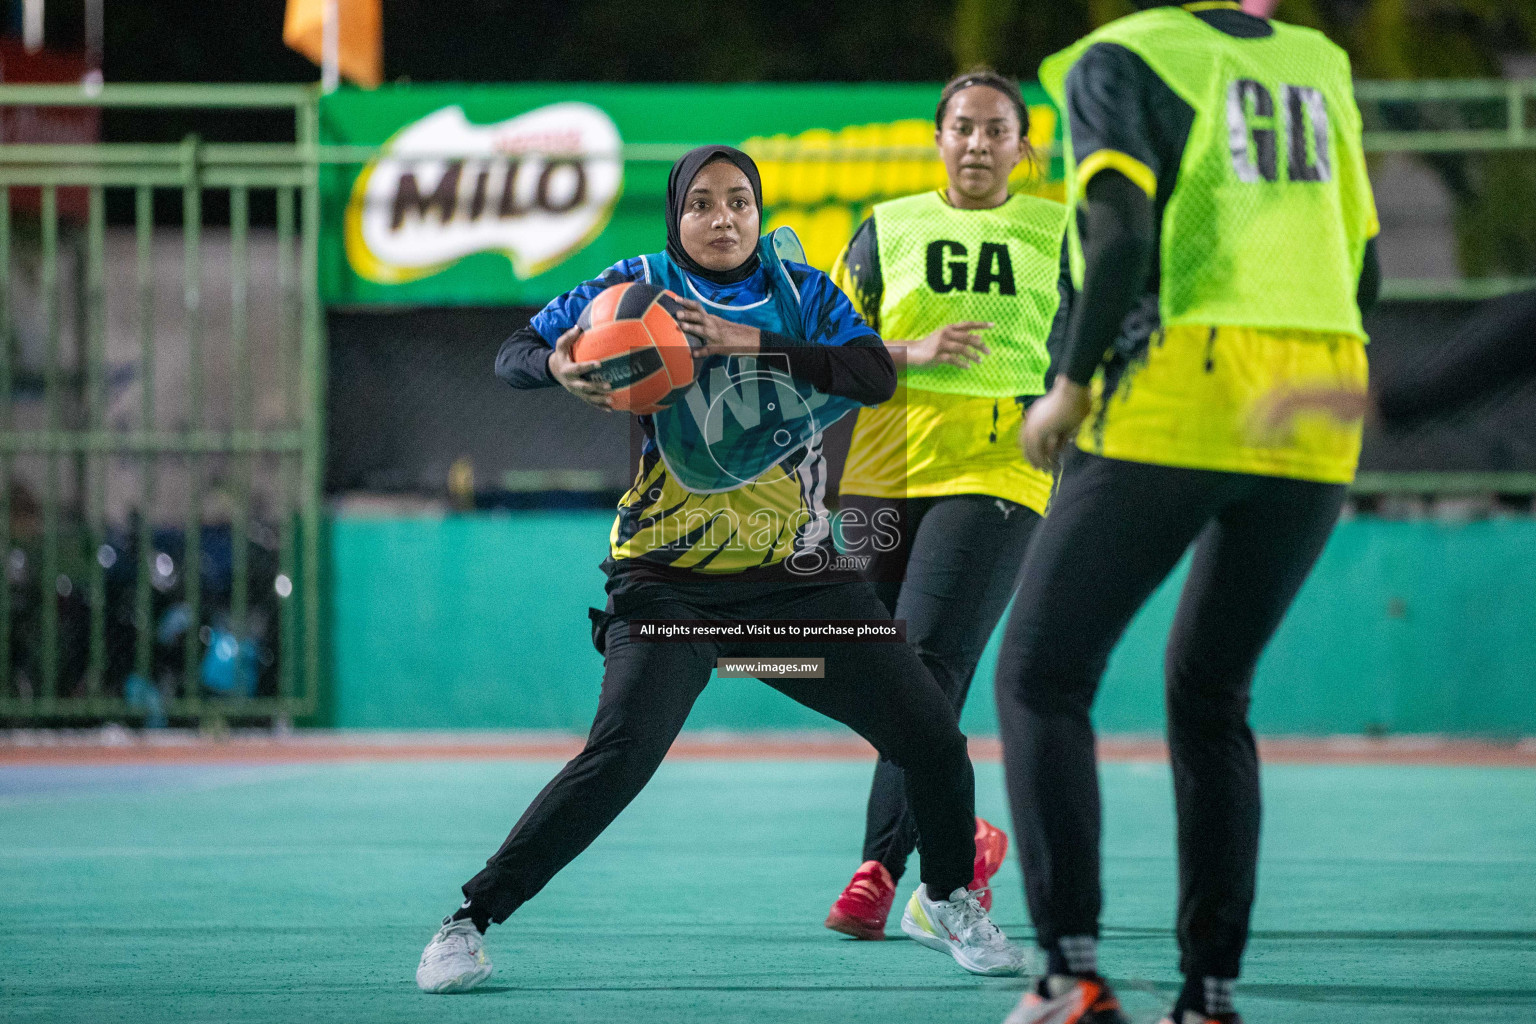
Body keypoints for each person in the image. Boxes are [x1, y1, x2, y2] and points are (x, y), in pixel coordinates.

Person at [414, 145, 1025, 994]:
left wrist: (748, 339)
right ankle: (467, 921)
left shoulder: (802, 292)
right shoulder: (634, 285)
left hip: (793, 591)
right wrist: (558, 365)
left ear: (757, 209)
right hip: (670, 592)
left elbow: (875, 372)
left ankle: (948, 897)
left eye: (739, 201)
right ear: (677, 215)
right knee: (622, 752)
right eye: (702, 203)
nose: (723, 218)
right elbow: (515, 351)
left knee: (930, 735)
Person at [994, 4, 1381, 1023]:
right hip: (1322, 402)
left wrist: (1070, 385)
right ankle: (1210, 993)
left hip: (1189, 385)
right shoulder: (1319, 62)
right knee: (1213, 697)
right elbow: (1365, 269)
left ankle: (1068, 971)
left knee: (1040, 671)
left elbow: (1118, 235)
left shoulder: (1122, 56)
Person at [822, 69, 1071, 940]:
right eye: (962, 126)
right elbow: (834, 354)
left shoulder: (1059, 233)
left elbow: (1092, 347)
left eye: (996, 130)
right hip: (880, 473)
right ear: (938, 137)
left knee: (925, 663)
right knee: (857, 669)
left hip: (997, 471)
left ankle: (883, 873)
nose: (977, 142)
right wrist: (909, 349)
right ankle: (961, 836)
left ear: (1022, 148)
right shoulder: (885, 230)